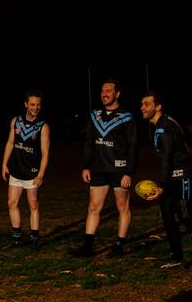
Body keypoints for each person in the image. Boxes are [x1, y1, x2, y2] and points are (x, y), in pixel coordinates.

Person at [72, 79, 138, 257]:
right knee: (93, 207)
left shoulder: (127, 116)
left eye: (108, 91)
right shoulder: (95, 115)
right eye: (102, 91)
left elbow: (132, 146)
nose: (104, 94)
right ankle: (87, 246)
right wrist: (86, 166)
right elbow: (89, 142)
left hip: (119, 170)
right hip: (98, 169)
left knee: (122, 207)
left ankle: (119, 245)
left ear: (117, 94)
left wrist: (128, 172)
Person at [140, 91, 192, 268]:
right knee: (168, 218)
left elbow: (167, 158)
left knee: (186, 218)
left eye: (147, 104)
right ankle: (177, 258)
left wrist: (162, 185)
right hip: (170, 178)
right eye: (142, 104)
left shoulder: (165, 127)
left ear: (158, 106)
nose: (143, 108)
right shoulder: (162, 124)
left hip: (182, 178)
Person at [1, 90, 50, 250]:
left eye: (38, 105)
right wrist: (4, 164)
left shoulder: (43, 126)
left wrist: (41, 174)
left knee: (33, 204)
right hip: (16, 169)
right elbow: (10, 143)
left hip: (32, 172)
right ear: (26, 105)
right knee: (12, 203)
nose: (36, 108)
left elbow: (45, 152)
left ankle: (34, 238)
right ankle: (16, 238)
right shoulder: (16, 121)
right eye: (33, 104)